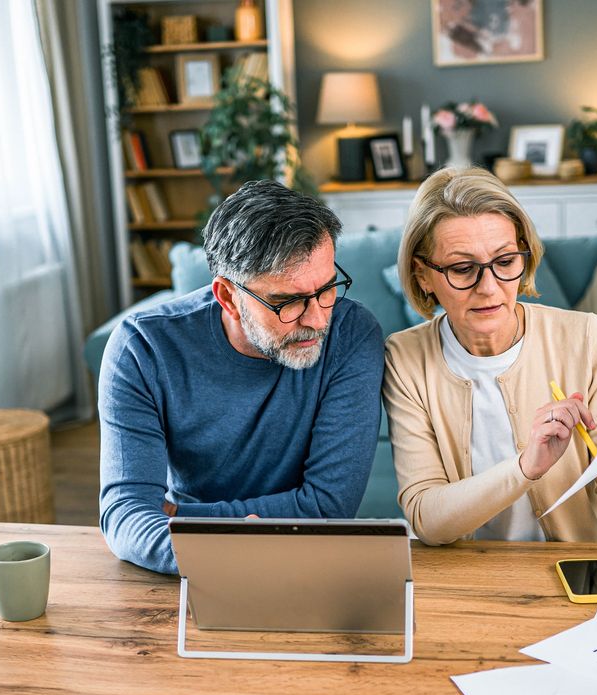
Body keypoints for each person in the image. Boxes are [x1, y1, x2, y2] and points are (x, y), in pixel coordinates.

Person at [383, 167, 597, 546]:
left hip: (575, 572)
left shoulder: (586, 338)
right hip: (466, 578)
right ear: (423, 275)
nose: (489, 288)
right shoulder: (404, 358)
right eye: (463, 268)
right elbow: (428, 520)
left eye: (505, 262)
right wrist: (525, 467)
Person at [98, 180, 385, 574]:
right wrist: (222, 549)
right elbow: (125, 513)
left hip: (307, 560)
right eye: (287, 302)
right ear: (228, 297)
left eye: (327, 289)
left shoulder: (353, 334)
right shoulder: (142, 348)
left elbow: (327, 507)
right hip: (188, 574)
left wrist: (186, 517)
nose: (318, 320)